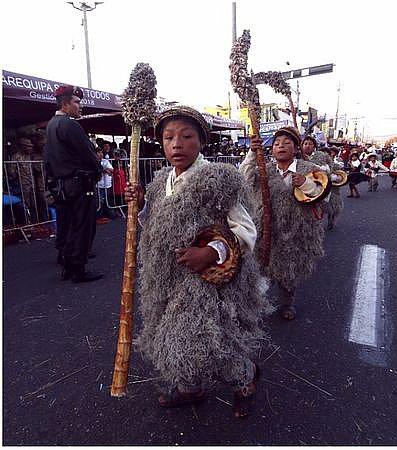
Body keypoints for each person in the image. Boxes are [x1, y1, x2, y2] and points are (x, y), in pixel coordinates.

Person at [123, 106, 267, 417]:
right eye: (168, 137)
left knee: (214, 340)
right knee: (171, 335)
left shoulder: (218, 179)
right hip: (168, 279)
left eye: (186, 136)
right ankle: (191, 388)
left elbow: (245, 231)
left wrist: (210, 252)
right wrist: (142, 204)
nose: (177, 144)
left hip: (207, 283)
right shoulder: (162, 181)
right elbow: (158, 225)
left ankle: (245, 378)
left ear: (201, 141)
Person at [240, 126, 325, 321]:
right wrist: (252, 154)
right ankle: (256, 303)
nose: (281, 146)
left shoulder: (309, 170)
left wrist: (305, 183)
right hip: (265, 230)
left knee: (289, 271)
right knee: (260, 269)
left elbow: (322, 196)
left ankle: (287, 303)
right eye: (277, 143)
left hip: (295, 231)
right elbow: (243, 179)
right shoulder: (264, 169)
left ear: (296, 148)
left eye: (287, 143)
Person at [43, 85, 103, 283]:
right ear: (65, 103)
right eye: (76, 102)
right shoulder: (69, 125)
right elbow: (89, 155)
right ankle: (78, 269)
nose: (80, 106)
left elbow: (48, 160)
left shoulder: (51, 124)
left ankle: (68, 267)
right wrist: (98, 170)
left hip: (62, 186)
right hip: (79, 184)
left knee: (68, 226)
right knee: (82, 227)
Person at [322, 146, 344, 230]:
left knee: (333, 205)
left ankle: (331, 219)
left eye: (332, 152)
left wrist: (335, 177)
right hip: (323, 186)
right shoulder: (320, 163)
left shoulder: (338, 162)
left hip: (334, 187)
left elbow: (341, 173)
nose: (331, 154)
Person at [95, 147, 115, 222]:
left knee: (107, 200)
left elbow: (111, 170)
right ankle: (99, 216)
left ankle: (107, 214)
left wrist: (105, 170)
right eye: (98, 153)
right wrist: (104, 170)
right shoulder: (94, 162)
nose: (100, 154)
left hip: (107, 185)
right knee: (99, 201)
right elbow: (98, 170)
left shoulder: (105, 161)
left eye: (101, 153)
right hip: (98, 185)